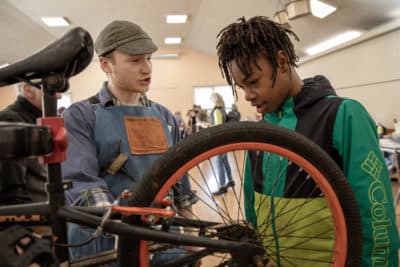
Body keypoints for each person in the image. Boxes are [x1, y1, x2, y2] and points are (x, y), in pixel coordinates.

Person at [216, 16, 399, 266]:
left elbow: (375, 215)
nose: (247, 95)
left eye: (253, 82)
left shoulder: (343, 115)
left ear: (281, 62)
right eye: (241, 87)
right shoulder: (260, 131)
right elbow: (252, 206)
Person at [61, 20, 195, 260]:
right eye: (135, 61)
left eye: (148, 58)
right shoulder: (81, 116)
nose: (147, 69)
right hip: (103, 245)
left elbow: (179, 183)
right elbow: (81, 183)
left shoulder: (164, 116)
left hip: (162, 241)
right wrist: (115, 220)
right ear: (105, 64)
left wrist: (192, 232)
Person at [0, 82, 58, 204]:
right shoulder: (11, 120)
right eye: (51, 89)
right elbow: (11, 192)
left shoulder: (38, 121)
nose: (59, 96)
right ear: (28, 91)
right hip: (32, 214)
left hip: (46, 207)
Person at [210, 93, 234, 195]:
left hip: (218, 140)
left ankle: (222, 185)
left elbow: (218, 126)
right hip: (224, 140)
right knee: (225, 161)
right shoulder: (223, 110)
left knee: (219, 163)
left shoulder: (216, 111)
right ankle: (230, 180)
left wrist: (209, 127)